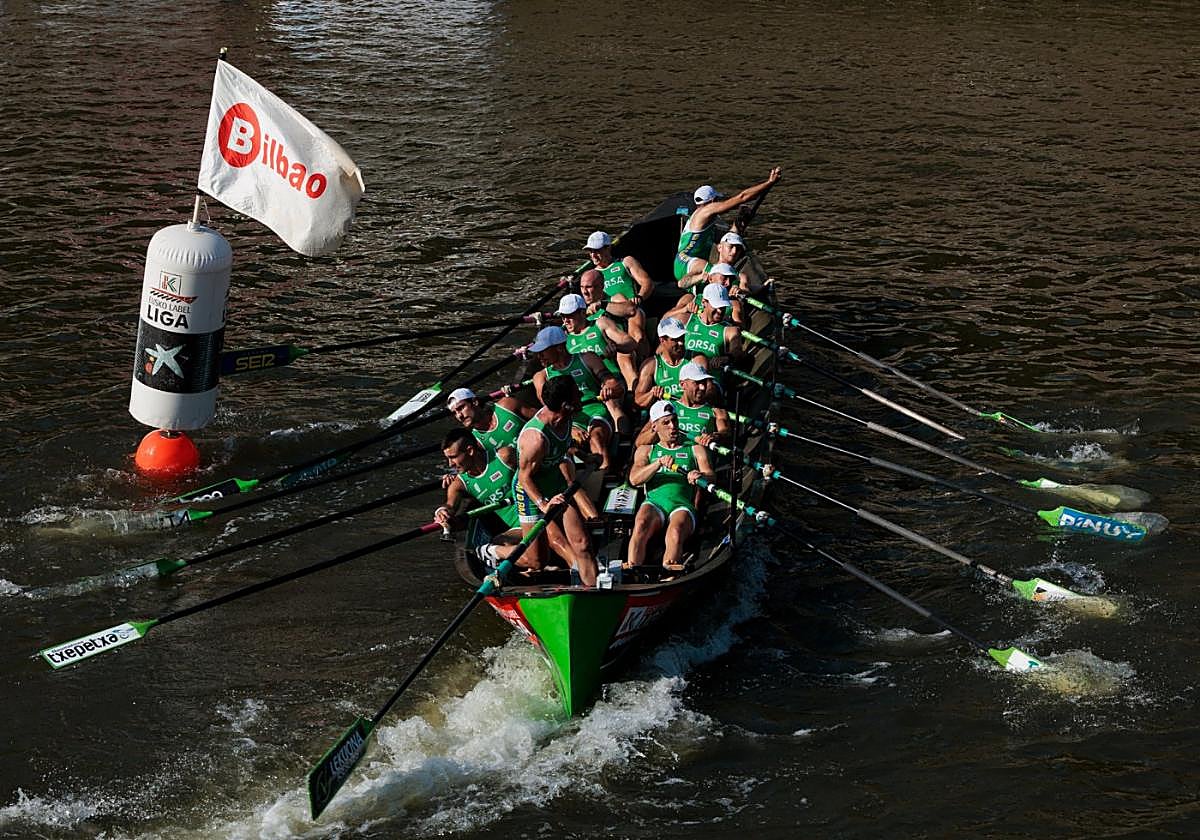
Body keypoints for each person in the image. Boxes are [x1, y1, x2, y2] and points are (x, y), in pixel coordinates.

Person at [514, 375, 599, 586]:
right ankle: (493, 553)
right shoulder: (536, 439)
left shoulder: (566, 417)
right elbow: (525, 478)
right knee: (537, 560)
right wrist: (543, 504)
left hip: (556, 485)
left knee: (583, 543)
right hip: (531, 492)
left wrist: (585, 456)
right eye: (577, 395)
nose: (581, 395)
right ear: (566, 405)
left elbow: (564, 444)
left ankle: (593, 593)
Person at [625, 400, 714, 573]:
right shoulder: (645, 451)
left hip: (682, 506)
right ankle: (632, 569)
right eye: (666, 422)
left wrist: (700, 476)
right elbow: (634, 479)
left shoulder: (695, 449)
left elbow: (711, 476)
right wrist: (657, 464)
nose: (673, 426)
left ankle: (669, 570)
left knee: (676, 530)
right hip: (654, 504)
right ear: (654, 427)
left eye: (675, 421)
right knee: (641, 522)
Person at [528, 325, 626, 470]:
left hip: (595, 411)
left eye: (543, 351)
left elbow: (613, 384)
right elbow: (550, 411)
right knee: (568, 448)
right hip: (568, 421)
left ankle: (604, 475)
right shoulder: (541, 377)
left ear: (559, 348)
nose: (539, 356)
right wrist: (571, 427)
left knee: (596, 438)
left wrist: (608, 387)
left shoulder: (588, 358)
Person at [675, 167, 781, 287]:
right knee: (722, 275)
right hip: (686, 263)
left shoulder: (702, 218)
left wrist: (739, 223)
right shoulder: (706, 211)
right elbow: (742, 197)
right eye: (718, 200)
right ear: (713, 200)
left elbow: (730, 233)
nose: (720, 203)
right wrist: (769, 183)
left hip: (685, 263)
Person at [434, 428, 522, 567]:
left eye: (453, 457)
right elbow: (450, 506)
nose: (450, 464)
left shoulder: (504, 456)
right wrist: (441, 512)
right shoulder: (459, 484)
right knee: (500, 542)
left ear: (470, 450)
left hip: (538, 512)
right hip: (518, 528)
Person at [634, 362, 730, 448]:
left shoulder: (716, 410)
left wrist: (714, 436)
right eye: (697, 383)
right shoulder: (666, 409)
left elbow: (726, 432)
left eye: (704, 382)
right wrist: (660, 429)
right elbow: (639, 442)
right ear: (683, 384)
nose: (702, 387)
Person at [558, 292, 640, 391]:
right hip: (583, 389)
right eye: (563, 316)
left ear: (583, 313)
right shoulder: (562, 337)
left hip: (611, 381)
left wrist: (615, 347)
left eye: (569, 316)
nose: (565, 321)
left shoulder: (601, 323)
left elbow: (631, 343)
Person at [666, 282, 743, 371]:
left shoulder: (730, 331)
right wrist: (684, 309)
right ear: (704, 302)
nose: (720, 311)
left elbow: (737, 350)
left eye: (723, 307)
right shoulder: (687, 319)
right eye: (716, 306)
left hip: (710, 380)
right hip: (685, 379)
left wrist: (726, 358)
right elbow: (664, 322)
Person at [446, 386, 535, 456]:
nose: (459, 415)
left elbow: (543, 417)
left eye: (461, 408)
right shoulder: (476, 442)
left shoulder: (507, 405)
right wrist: (451, 477)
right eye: (454, 413)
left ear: (475, 402)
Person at [579, 267, 648, 354]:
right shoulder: (579, 309)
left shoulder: (615, 299)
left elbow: (631, 310)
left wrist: (602, 305)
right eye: (582, 287)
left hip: (620, 348)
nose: (584, 292)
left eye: (589, 287)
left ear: (601, 286)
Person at [583, 230, 655, 305]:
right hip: (607, 312)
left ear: (608, 248)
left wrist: (640, 297)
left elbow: (647, 283)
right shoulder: (592, 275)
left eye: (597, 251)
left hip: (631, 309)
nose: (593, 255)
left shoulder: (626, 262)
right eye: (590, 251)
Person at [634, 316, 688, 407]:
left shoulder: (695, 359)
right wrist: (652, 393)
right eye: (675, 339)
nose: (681, 343)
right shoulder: (651, 365)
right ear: (662, 340)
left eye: (682, 337)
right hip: (668, 414)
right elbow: (638, 400)